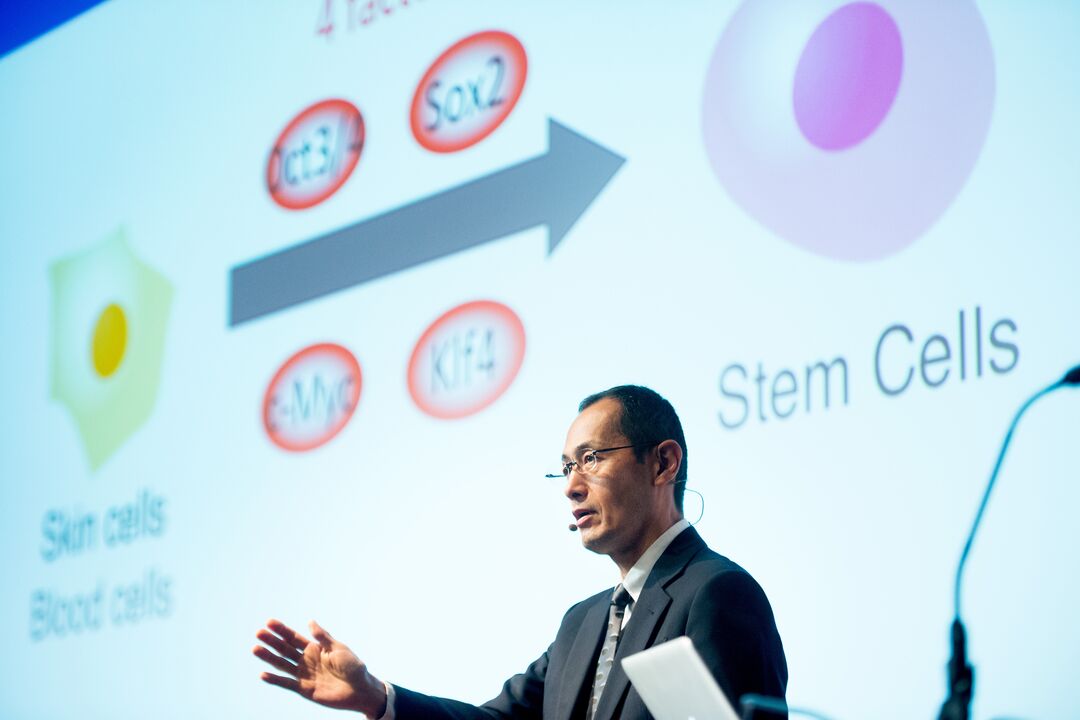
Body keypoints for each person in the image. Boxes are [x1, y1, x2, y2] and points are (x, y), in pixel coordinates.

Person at [254, 385, 788, 719]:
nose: (571, 486)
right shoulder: (582, 623)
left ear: (663, 463)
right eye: (566, 466)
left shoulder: (716, 593)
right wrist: (375, 696)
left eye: (592, 458)